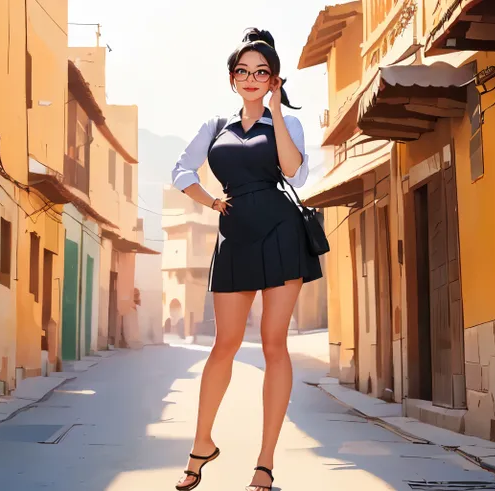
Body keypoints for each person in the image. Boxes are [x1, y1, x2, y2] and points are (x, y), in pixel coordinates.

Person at [170, 28, 323, 491]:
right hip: (234, 237)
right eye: (244, 71)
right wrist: (210, 202)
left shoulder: (287, 122)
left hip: (281, 233)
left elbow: (293, 169)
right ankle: (201, 444)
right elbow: (180, 170)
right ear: (232, 77)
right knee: (224, 346)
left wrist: (275, 111)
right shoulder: (215, 126)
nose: (252, 78)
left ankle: (265, 461)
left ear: (273, 78)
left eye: (262, 72)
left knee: (275, 344)